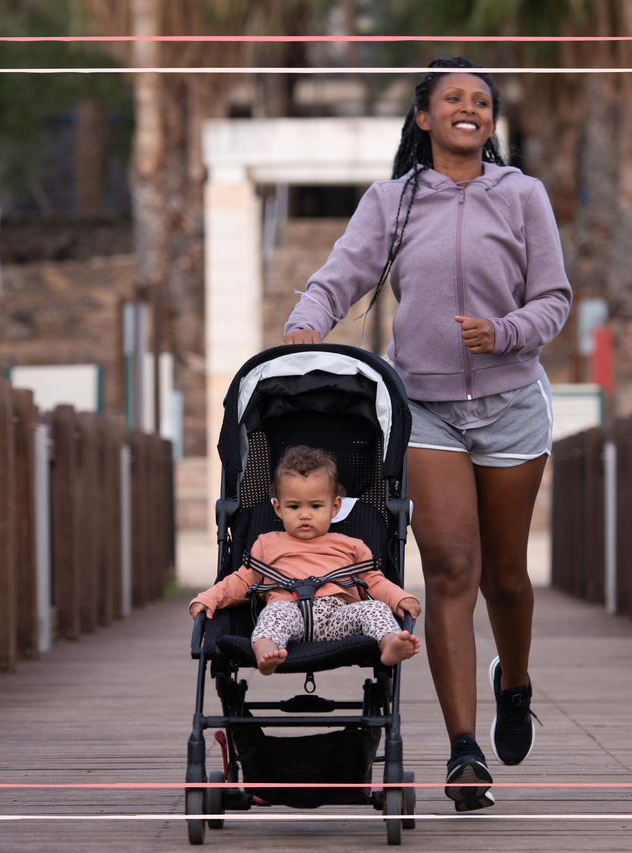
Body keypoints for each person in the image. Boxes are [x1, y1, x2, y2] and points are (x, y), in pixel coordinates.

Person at [281, 58, 571, 811]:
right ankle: (464, 752)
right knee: (450, 568)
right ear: (424, 118)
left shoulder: (523, 195)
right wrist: (306, 323)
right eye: (453, 100)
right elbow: (341, 272)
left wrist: (504, 331)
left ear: (491, 122)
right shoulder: (394, 201)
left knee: (505, 575)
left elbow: (554, 298)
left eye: (481, 101)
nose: (468, 109)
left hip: (511, 404)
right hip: (427, 410)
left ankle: (514, 682)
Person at [189, 445, 422, 675]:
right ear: (278, 509)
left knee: (375, 609)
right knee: (273, 615)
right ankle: (265, 652)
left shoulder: (352, 545)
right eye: (294, 506)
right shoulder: (266, 544)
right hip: (289, 614)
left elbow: (375, 582)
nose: (305, 514)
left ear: (335, 507)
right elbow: (241, 581)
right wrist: (209, 598)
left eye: (316, 506)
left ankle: (390, 643)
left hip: (338, 618)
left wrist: (401, 598)